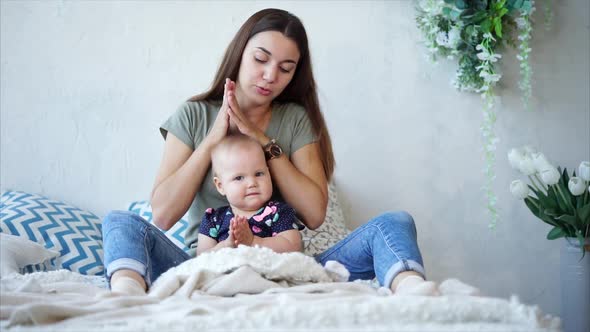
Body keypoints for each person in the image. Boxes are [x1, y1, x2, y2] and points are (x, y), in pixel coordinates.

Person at [102, 8, 436, 296]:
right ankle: (127, 294)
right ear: (240, 54)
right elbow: (162, 214)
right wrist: (212, 140)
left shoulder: (295, 120)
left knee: (395, 222)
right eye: (261, 59)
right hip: (205, 266)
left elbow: (314, 214)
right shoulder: (194, 115)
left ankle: (410, 289)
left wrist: (263, 140)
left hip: (285, 266)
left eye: (286, 68)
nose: (270, 75)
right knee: (120, 222)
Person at [196, 134, 303, 255]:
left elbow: (294, 246)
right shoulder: (213, 219)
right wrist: (227, 245)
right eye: (239, 177)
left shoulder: (278, 212)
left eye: (259, 174)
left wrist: (253, 241)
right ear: (220, 186)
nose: (252, 183)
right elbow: (201, 258)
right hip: (228, 272)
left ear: (269, 173)